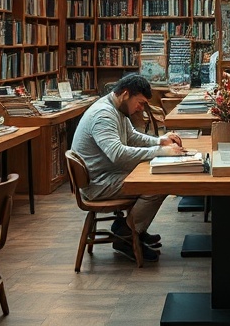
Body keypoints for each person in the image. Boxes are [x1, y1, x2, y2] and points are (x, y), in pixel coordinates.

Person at [71, 73, 187, 263]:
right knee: (157, 184)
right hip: (98, 183)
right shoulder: (103, 115)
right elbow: (117, 154)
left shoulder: (116, 108)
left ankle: (131, 228)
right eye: (140, 103)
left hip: (106, 175)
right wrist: (161, 152)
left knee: (155, 176)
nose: (141, 108)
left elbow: (132, 137)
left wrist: (160, 141)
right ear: (125, 94)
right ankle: (127, 235)